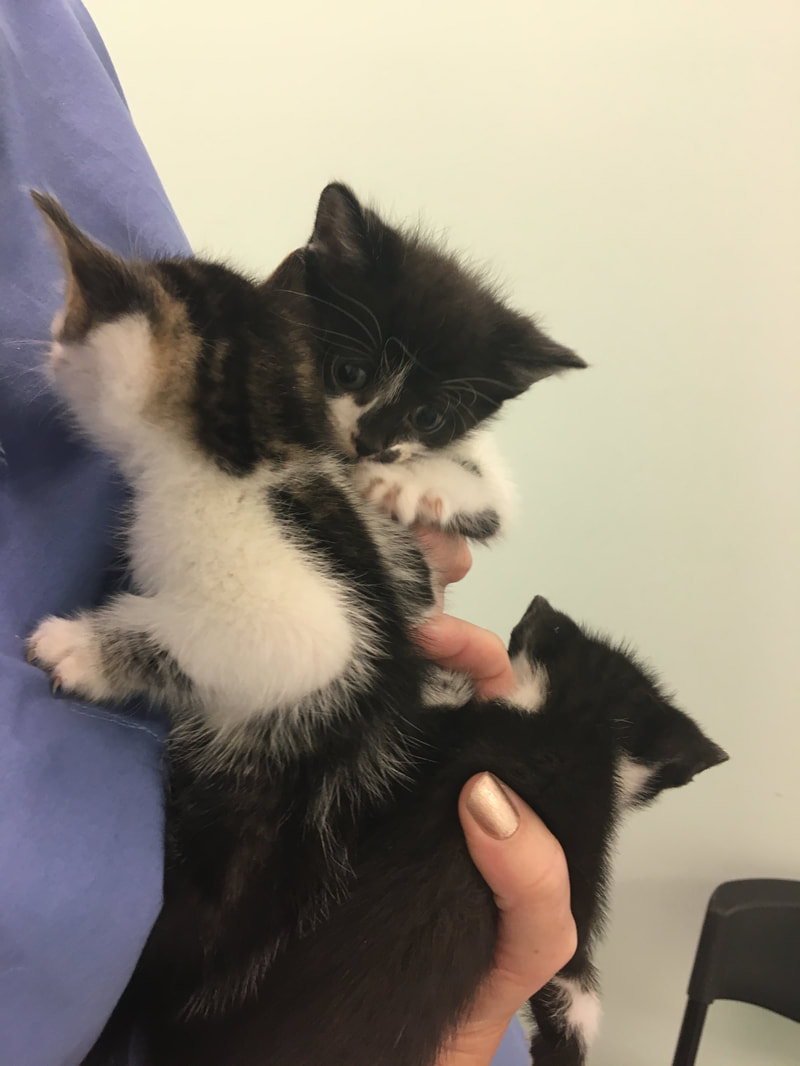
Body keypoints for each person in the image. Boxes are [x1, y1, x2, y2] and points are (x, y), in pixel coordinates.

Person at [0, 3, 574, 1063]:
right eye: (344, 377)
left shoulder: (39, 40)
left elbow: (466, 512)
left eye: (418, 421)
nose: (365, 429)